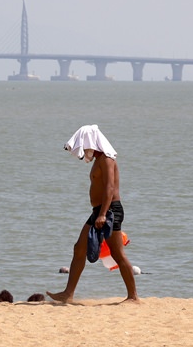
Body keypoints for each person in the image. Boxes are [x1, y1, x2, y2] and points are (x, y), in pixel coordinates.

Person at [47, 125, 139, 304]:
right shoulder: (99, 159)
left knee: (118, 253)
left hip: (110, 211)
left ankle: (133, 297)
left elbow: (109, 188)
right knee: (79, 248)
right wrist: (99, 212)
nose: (85, 149)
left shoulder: (107, 159)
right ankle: (68, 294)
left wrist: (103, 214)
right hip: (99, 211)